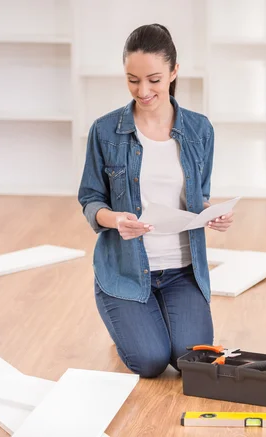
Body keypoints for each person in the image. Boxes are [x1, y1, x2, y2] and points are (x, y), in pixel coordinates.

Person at [78, 24, 233, 378]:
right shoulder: (105, 131)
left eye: (154, 79)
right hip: (126, 271)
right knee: (149, 362)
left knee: (190, 362)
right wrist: (114, 219)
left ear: (174, 72)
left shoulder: (199, 130)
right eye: (133, 80)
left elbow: (199, 197)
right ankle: (129, 325)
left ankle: (157, 318)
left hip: (182, 271)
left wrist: (212, 215)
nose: (143, 90)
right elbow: (90, 198)